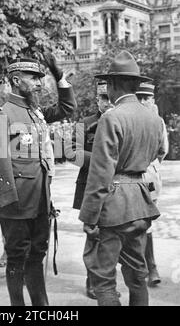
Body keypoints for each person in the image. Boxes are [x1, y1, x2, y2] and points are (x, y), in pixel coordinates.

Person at [0, 55, 76, 306]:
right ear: (16, 80)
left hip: (39, 200)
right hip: (16, 203)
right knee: (17, 258)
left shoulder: (35, 112)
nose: (40, 82)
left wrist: (60, 78)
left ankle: (41, 306)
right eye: (34, 78)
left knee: (37, 255)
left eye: (41, 77)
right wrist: (8, 201)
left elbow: (67, 109)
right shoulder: (3, 113)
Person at [79, 50, 165, 306]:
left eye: (107, 84)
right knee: (137, 275)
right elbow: (156, 154)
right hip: (140, 201)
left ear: (114, 84)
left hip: (113, 206)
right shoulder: (153, 118)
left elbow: (101, 172)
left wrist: (89, 216)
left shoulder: (112, 117)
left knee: (103, 279)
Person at [69, 81, 113, 299]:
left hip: (116, 190)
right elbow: (70, 152)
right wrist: (97, 159)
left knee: (114, 237)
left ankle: (107, 281)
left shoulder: (122, 121)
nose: (107, 101)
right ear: (97, 99)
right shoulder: (84, 123)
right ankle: (92, 281)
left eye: (110, 96)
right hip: (90, 188)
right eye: (103, 97)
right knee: (94, 236)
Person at [136, 82, 169, 287]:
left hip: (148, 178)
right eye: (139, 97)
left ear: (152, 100)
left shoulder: (158, 122)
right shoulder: (128, 119)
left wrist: (151, 167)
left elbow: (162, 150)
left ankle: (151, 267)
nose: (142, 101)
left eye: (146, 98)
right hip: (129, 179)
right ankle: (143, 267)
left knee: (146, 222)